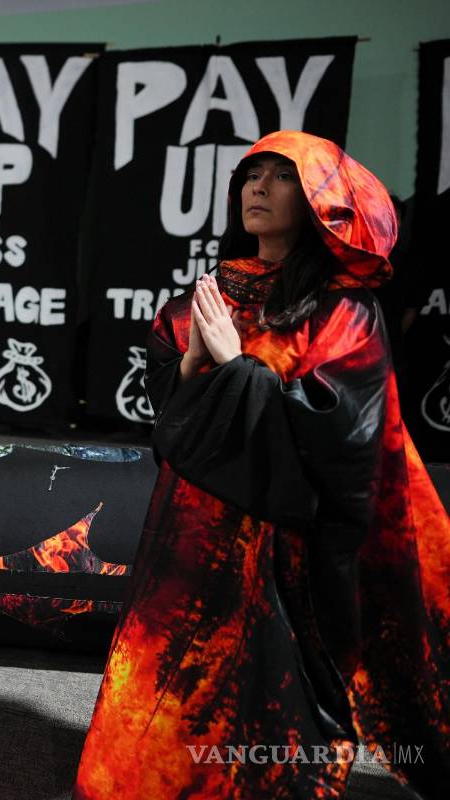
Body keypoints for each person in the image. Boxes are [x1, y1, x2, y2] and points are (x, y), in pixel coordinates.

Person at [73, 132, 449, 798]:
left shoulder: (343, 309)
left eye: (281, 177)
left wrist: (237, 366)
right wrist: (195, 364)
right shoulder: (207, 296)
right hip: (190, 530)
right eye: (251, 176)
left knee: (268, 675)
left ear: (319, 203)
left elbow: (342, 433)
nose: (258, 188)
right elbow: (170, 403)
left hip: (281, 544)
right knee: (174, 670)